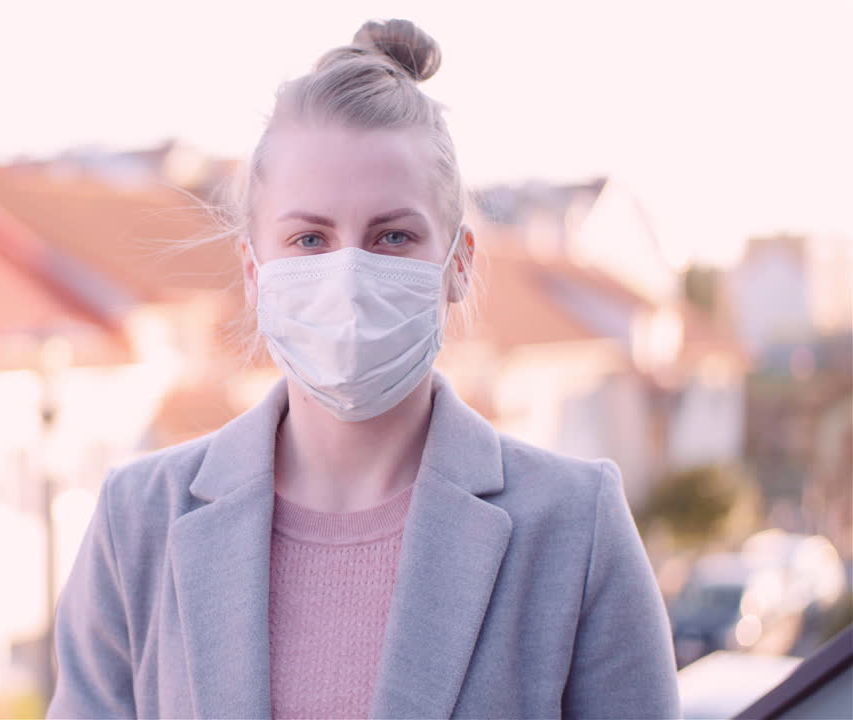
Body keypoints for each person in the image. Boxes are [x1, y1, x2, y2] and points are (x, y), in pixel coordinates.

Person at [47, 18, 680, 720]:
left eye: (393, 236)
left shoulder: (573, 528)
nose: (347, 274)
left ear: (459, 263)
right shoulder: (138, 523)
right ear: (254, 272)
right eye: (310, 237)